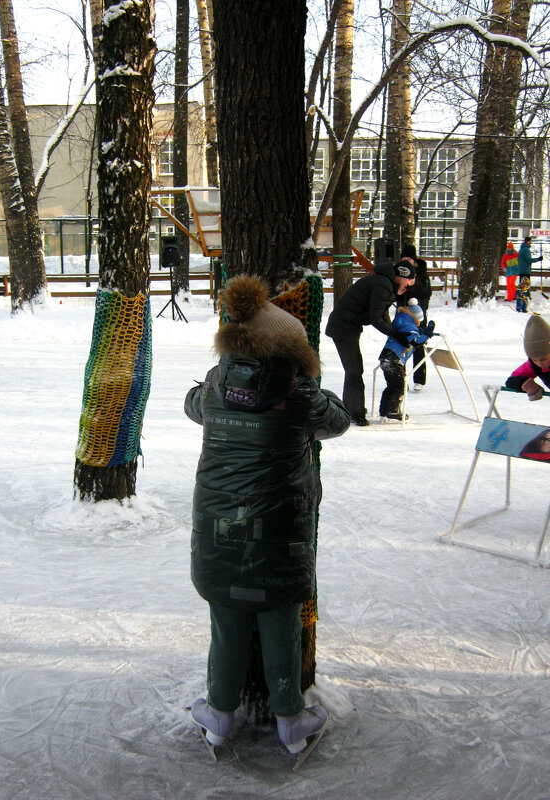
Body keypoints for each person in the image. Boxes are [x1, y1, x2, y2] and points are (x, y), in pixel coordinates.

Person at [184, 274, 351, 758]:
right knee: (281, 619)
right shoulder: (301, 393)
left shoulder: (216, 383)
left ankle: (218, 715)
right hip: (281, 529)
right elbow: (337, 422)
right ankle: (290, 719)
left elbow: (192, 405)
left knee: (227, 620)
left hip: (220, 525)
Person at [325, 258, 416, 426]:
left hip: (348, 325)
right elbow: (375, 317)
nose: (407, 287)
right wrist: (396, 335)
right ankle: (354, 413)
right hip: (343, 327)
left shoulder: (385, 283)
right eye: (407, 283)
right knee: (354, 369)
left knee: (354, 369)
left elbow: (382, 314)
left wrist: (394, 333)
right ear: (401, 275)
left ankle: (352, 410)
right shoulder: (383, 285)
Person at [378, 299, 435, 421]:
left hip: (386, 356)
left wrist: (420, 332)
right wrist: (427, 334)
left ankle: (384, 410)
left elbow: (409, 335)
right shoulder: (409, 326)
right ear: (415, 318)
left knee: (392, 385)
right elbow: (415, 341)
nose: (419, 324)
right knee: (400, 385)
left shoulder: (401, 320)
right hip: (395, 358)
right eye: (419, 321)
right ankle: (393, 410)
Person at [401, 244, 432, 391]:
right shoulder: (399, 270)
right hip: (403, 314)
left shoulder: (421, 272)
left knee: (418, 346)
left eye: (409, 258)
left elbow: (426, 292)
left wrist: (412, 283)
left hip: (419, 313)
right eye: (404, 258)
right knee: (401, 346)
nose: (406, 261)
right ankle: (401, 378)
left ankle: (419, 379)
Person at [505, 314, 550, 399]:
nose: (539, 364)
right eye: (535, 360)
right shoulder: (532, 365)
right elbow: (512, 380)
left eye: (544, 359)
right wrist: (525, 384)